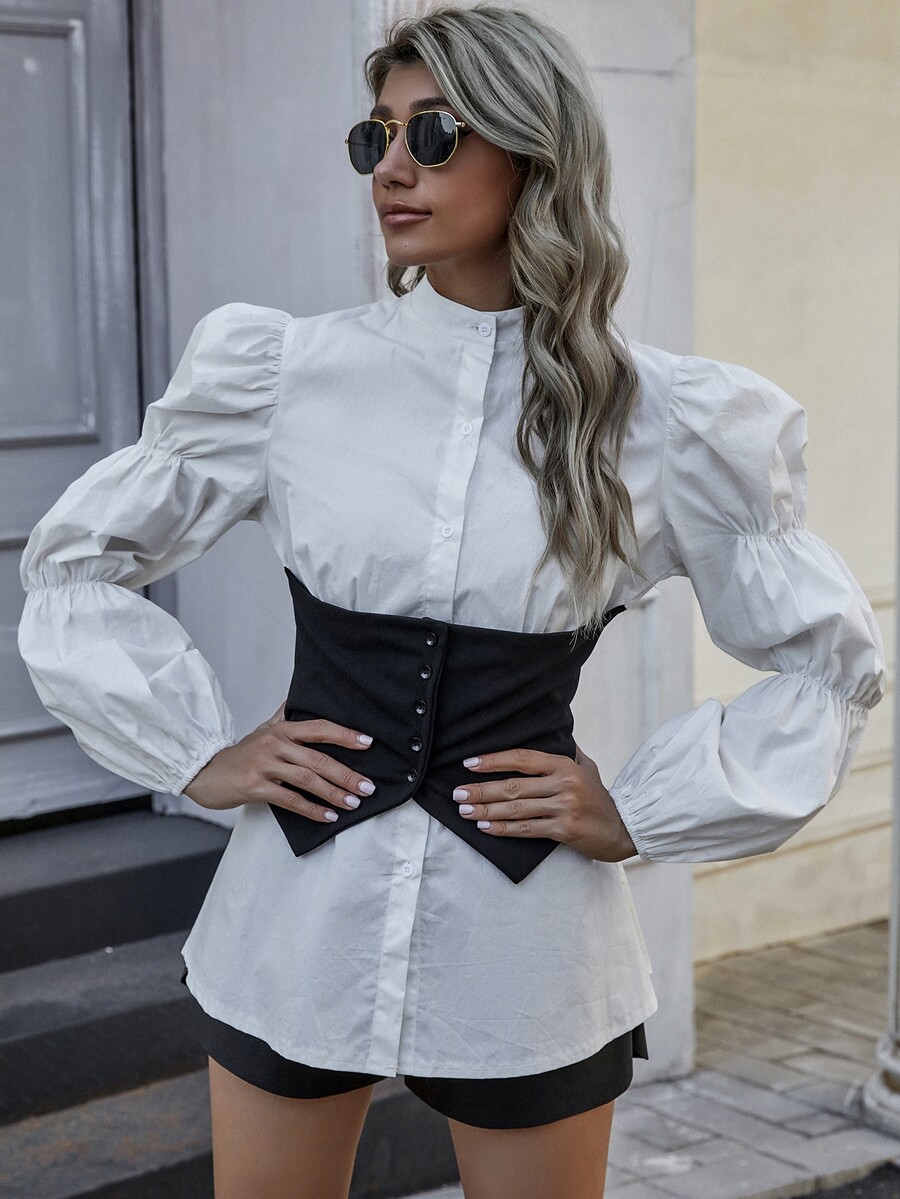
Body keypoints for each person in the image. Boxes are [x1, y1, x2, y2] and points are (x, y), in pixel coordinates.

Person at [17, 5, 886, 1198]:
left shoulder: (666, 422)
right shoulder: (287, 375)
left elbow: (831, 664)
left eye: (432, 134)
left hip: (527, 937)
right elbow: (75, 564)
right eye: (373, 136)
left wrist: (639, 810)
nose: (391, 168)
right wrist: (196, 752)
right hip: (295, 909)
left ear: (532, 151)